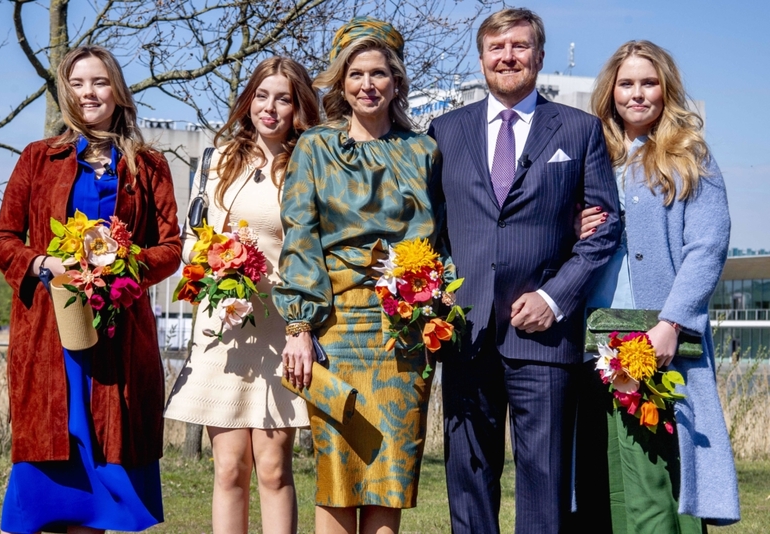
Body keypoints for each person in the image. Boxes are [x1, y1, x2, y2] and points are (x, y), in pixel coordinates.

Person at [427, 8, 622, 533]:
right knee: (467, 475)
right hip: (466, 334)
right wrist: (439, 293)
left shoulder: (580, 131)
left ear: (538, 56)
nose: (508, 57)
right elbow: (430, 231)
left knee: (544, 481)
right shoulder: (444, 132)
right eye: (497, 48)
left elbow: (604, 227)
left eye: (519, 46)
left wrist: (555, 297)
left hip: (545, 337)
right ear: (482, 57)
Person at [0, 45, 181, 533]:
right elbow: (3, 240)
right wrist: (44, 262)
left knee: (106, 480)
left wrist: (125, 266)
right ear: (65, 91)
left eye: (98, 82)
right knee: (54, 466)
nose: (88, 93)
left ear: (116, 90)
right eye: (77, 84)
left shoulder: (149, 165)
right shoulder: (38, 159)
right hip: (50, 338)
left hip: (119, 341)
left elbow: (172, 248)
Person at [273, 17, 447, 534]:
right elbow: (299, 237)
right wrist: (299, 328)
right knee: (339, 477)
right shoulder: (315, 148)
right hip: (336, 329)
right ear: (340, 83)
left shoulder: (424, 152)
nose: (367, 85)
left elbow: (443, 239)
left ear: (396, 82)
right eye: (355, 74)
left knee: (388, 478)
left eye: (378, 74)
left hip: (403, 333)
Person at [573, 40, 740, 532]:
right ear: (610, 91)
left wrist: (672, 323)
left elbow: (706, 248)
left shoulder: (690, 157)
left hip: (659, 336)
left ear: (666, 90)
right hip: (593, 336)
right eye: (627, 83)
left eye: (649, 83)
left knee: (661, 467)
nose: (638, 94)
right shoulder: (593, 155)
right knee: (606, 469)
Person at [164, 56, 319, 533]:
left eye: (283, 99)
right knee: (229, 468)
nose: (269, 108)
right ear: (248, 98)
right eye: (262, 95)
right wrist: (214, 260)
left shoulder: (308, 162)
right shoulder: (219, 159)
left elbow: (312, 248)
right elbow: (194, 237)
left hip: (280, 328)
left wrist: (303, 323)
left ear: (298, 108)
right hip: (222, 327)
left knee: (272, 468)